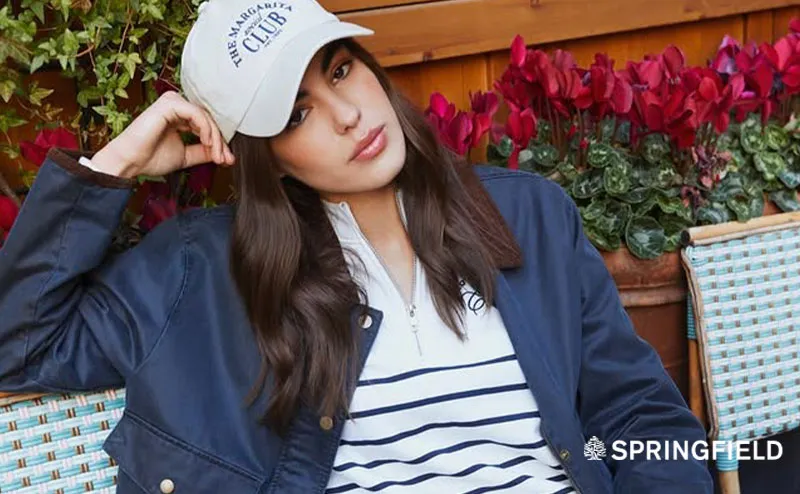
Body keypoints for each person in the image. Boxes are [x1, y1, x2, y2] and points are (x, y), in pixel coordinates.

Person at [0, 0, 714, 492]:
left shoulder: (527, 216)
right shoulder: (200, 271)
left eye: (341, 69)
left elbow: (640, 417)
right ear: (265, 158)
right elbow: (19, 346)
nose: (347, 115)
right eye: (297, 113)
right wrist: (113, 167)